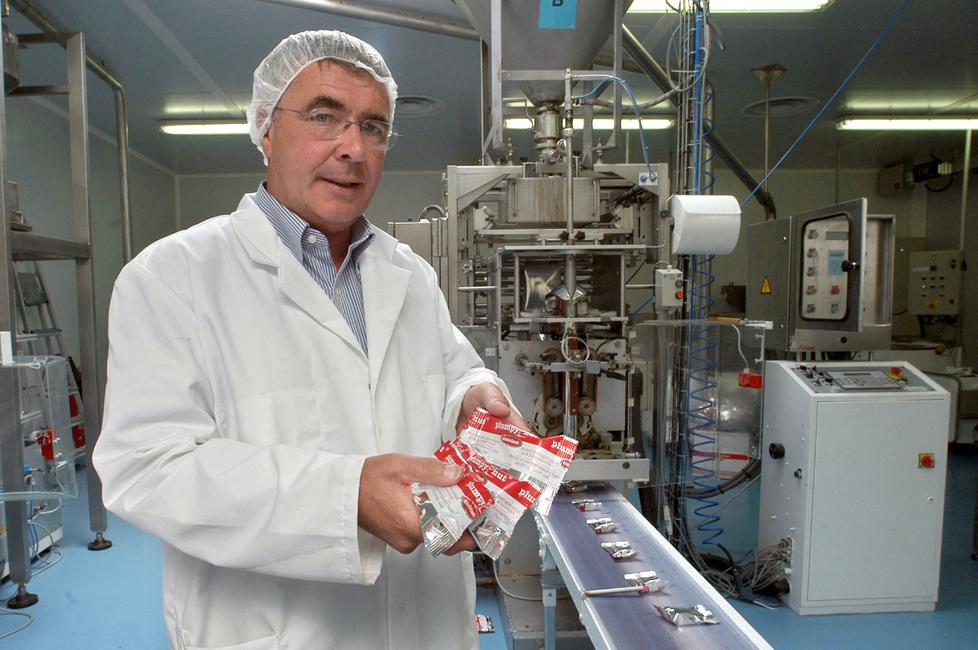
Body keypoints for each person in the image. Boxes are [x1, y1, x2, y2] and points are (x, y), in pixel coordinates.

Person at [94, 30, 523, 650]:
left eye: (374, 127)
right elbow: (146, 467)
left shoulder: (408, 273)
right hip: (278, 631)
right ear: (266, 128)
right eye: (325, 116)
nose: (353, 148)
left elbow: (455, 367)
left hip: (427, 624)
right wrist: (345, 495)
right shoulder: (170, 278)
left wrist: (473, 394)